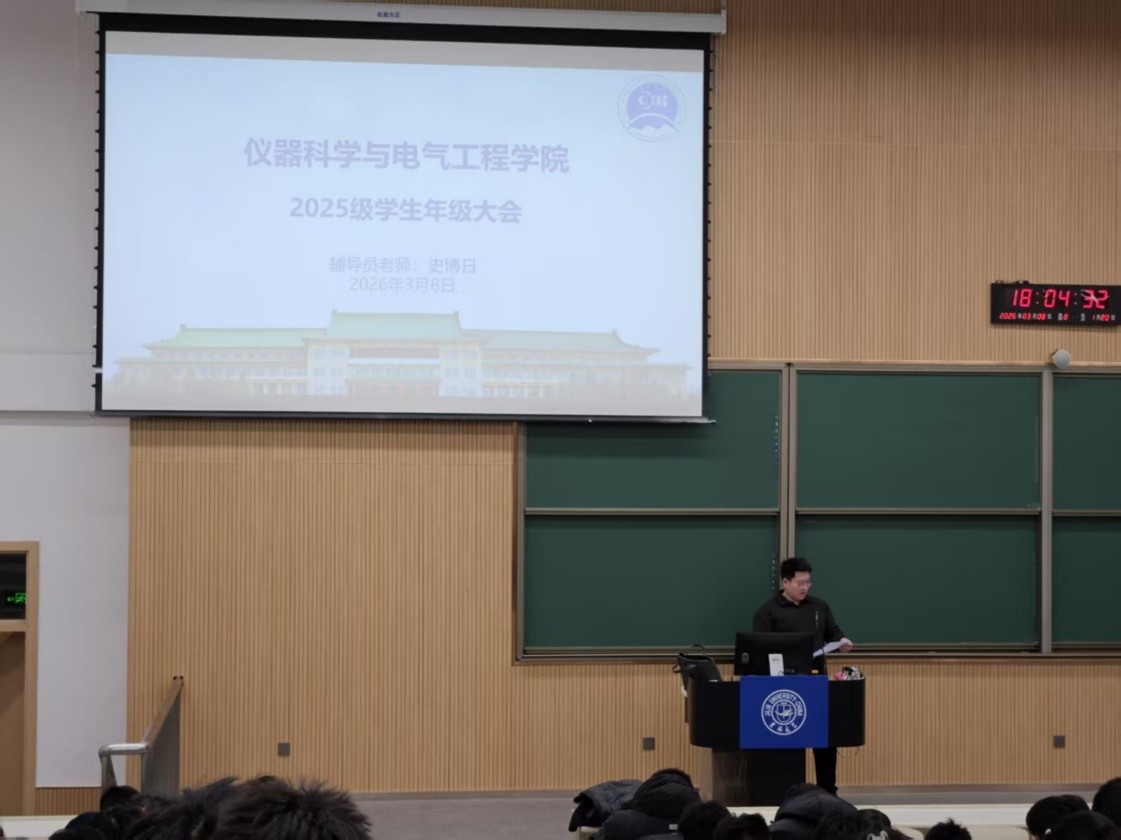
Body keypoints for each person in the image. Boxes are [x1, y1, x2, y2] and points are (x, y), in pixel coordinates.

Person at [752, 557, 853, 795]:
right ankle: (787, 792)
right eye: (800, 583)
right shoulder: (768, 612)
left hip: (816, 682)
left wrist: (842, 641)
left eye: (808, 582)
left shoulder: (819, 607)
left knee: (825, 737)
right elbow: (759, 649)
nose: (805, 587)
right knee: (788, 738)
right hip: (782, 688)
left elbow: (833, 632)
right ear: (785, 582)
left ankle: (828, 791)